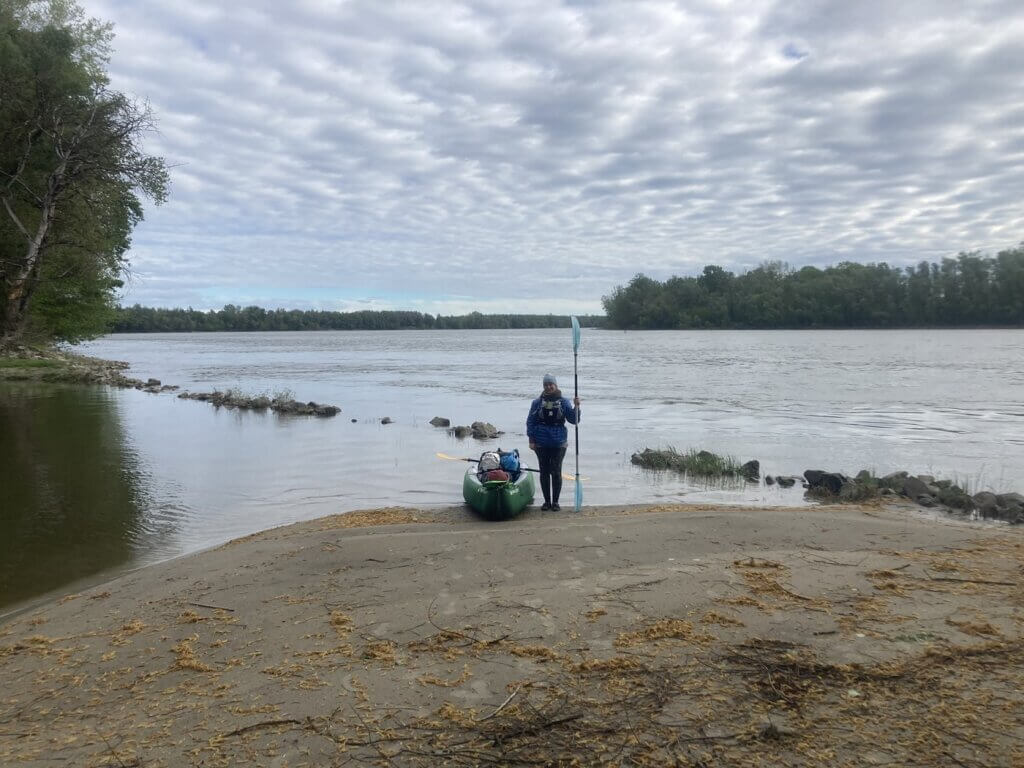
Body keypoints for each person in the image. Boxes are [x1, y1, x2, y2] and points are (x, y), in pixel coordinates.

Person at [526, 373, 580, 511]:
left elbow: (574, 420)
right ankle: (546, 502)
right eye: (546, 385)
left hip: (558, 442)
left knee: (556, 472)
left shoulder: (563, 402)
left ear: (555, 385)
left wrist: (577, 407)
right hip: (541, 442)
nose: (548, 387)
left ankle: (555, 502)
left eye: (551, 384)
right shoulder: (537, 403)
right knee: (544, 472)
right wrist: (531, 440)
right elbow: (530, 422)